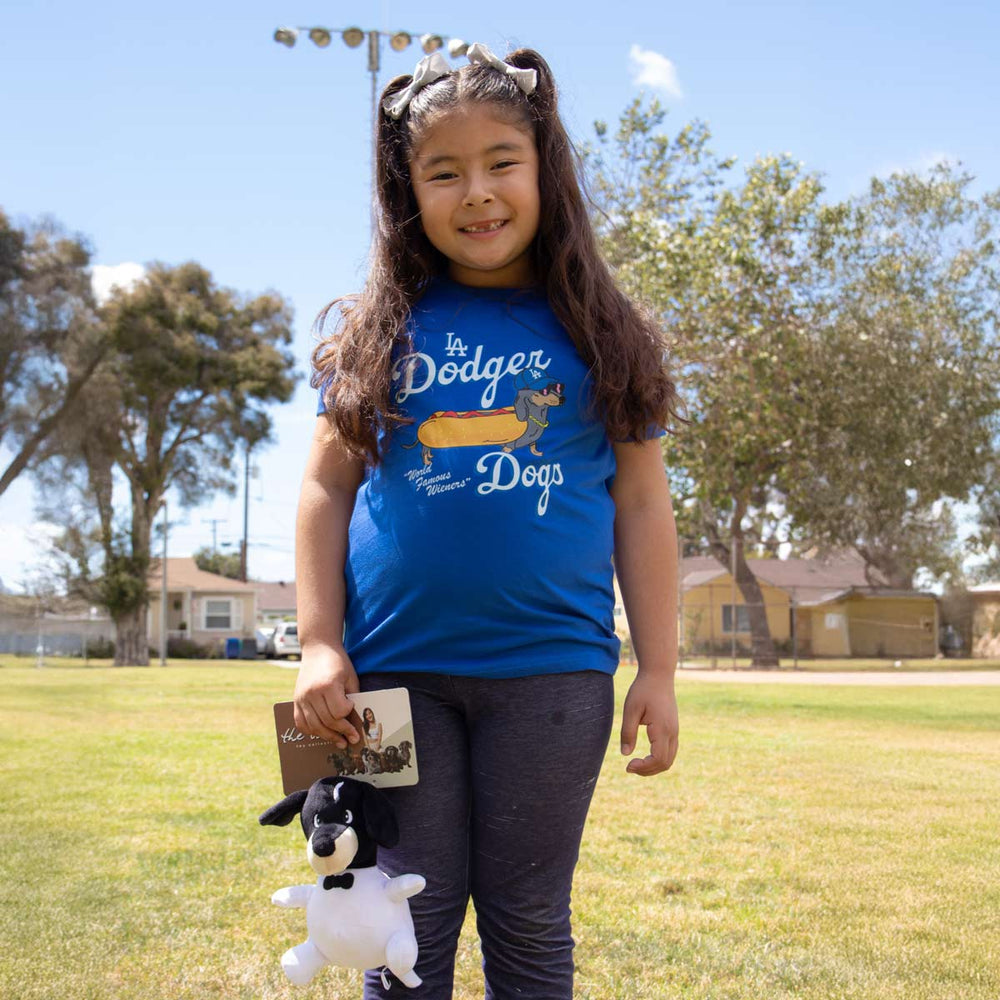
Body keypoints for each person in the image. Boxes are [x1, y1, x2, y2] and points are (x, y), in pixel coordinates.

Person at [293, 42, 680, 1000]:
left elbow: (642, 504)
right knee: (402, 920)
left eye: (502, 161)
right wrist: (318, 644)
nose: (477, 192)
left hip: (554, 675)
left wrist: (660, 669)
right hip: (392, 678)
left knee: (528, 914)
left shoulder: (601, 332)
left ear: (545, 169)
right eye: (443, 172)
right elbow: (325, 490)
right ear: (408, 191)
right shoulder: (379, 330)